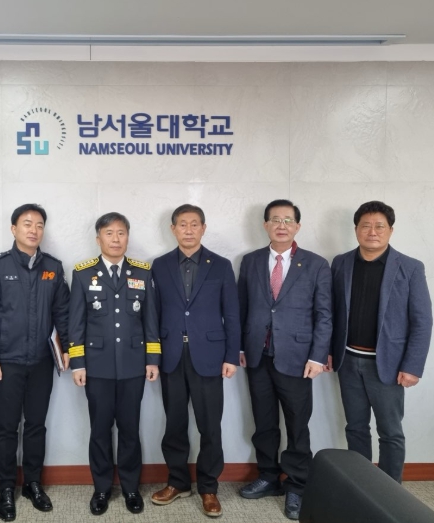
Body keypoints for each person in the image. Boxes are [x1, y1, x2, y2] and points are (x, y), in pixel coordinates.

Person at [237, 199, 333, 520]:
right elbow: (241, 307)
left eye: (288, 220)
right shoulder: (250, 261)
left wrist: (318, 356)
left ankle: (297, 485)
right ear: (265, 225)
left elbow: (324, 314)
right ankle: (268, 476)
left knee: (297, 424)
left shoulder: (316, 264)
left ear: (297, 226)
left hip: (298, 357)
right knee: (263, 422)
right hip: (258, 356)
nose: (281, 225)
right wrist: (240, 347)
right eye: (275, 219)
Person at [0, 204, 70, 522]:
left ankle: (32, 484)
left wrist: (67, 348)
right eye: (27, 224)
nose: (34, 230)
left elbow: (62, 312)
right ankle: (6, 488)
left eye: (39, 225)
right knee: (6, 427)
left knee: (36, 425)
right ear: (14, 229)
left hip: (42, 361)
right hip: (7, 362)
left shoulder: (53, 267)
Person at [330, 200, 432, 483]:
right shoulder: (341, 263)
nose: (372, 231)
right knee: (355, 428)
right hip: (348, 361)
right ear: (356, 229)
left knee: (390, 432)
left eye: (379, 226)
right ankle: (361, 488)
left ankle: (389, 492)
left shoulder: (410, 267)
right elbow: (332, 312)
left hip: (387, 365)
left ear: (390, 230)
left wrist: (412, 366)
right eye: (366, 225)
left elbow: (422, 321)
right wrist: (327, 351)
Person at [150, 203, 240, 518]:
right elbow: (153, 314)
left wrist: (231, 356)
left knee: (210, 426)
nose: (188, 230)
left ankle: (209, 487)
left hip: (210, 356)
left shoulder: (221, 265)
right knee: (174, 423)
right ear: (173, 229)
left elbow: (232, 314)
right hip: (171, 355)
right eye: (182, 224)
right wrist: (153, 356)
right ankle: (177, 482)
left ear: (203, 228)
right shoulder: (159, 265)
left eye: (194, 224)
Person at [68, 212, 160, 516]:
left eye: (121, 233)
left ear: (128, 237)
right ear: (99, 239)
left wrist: (152, 359)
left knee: (130, 429)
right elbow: (76, 323)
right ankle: (102, 488)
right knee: (100, 429)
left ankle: (131, 488)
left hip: (134, 365)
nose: (116, 239)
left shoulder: (142, 272)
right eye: (109, 233)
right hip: (97, 367)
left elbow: (150, 320)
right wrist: (78, 363)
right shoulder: (83, 273)